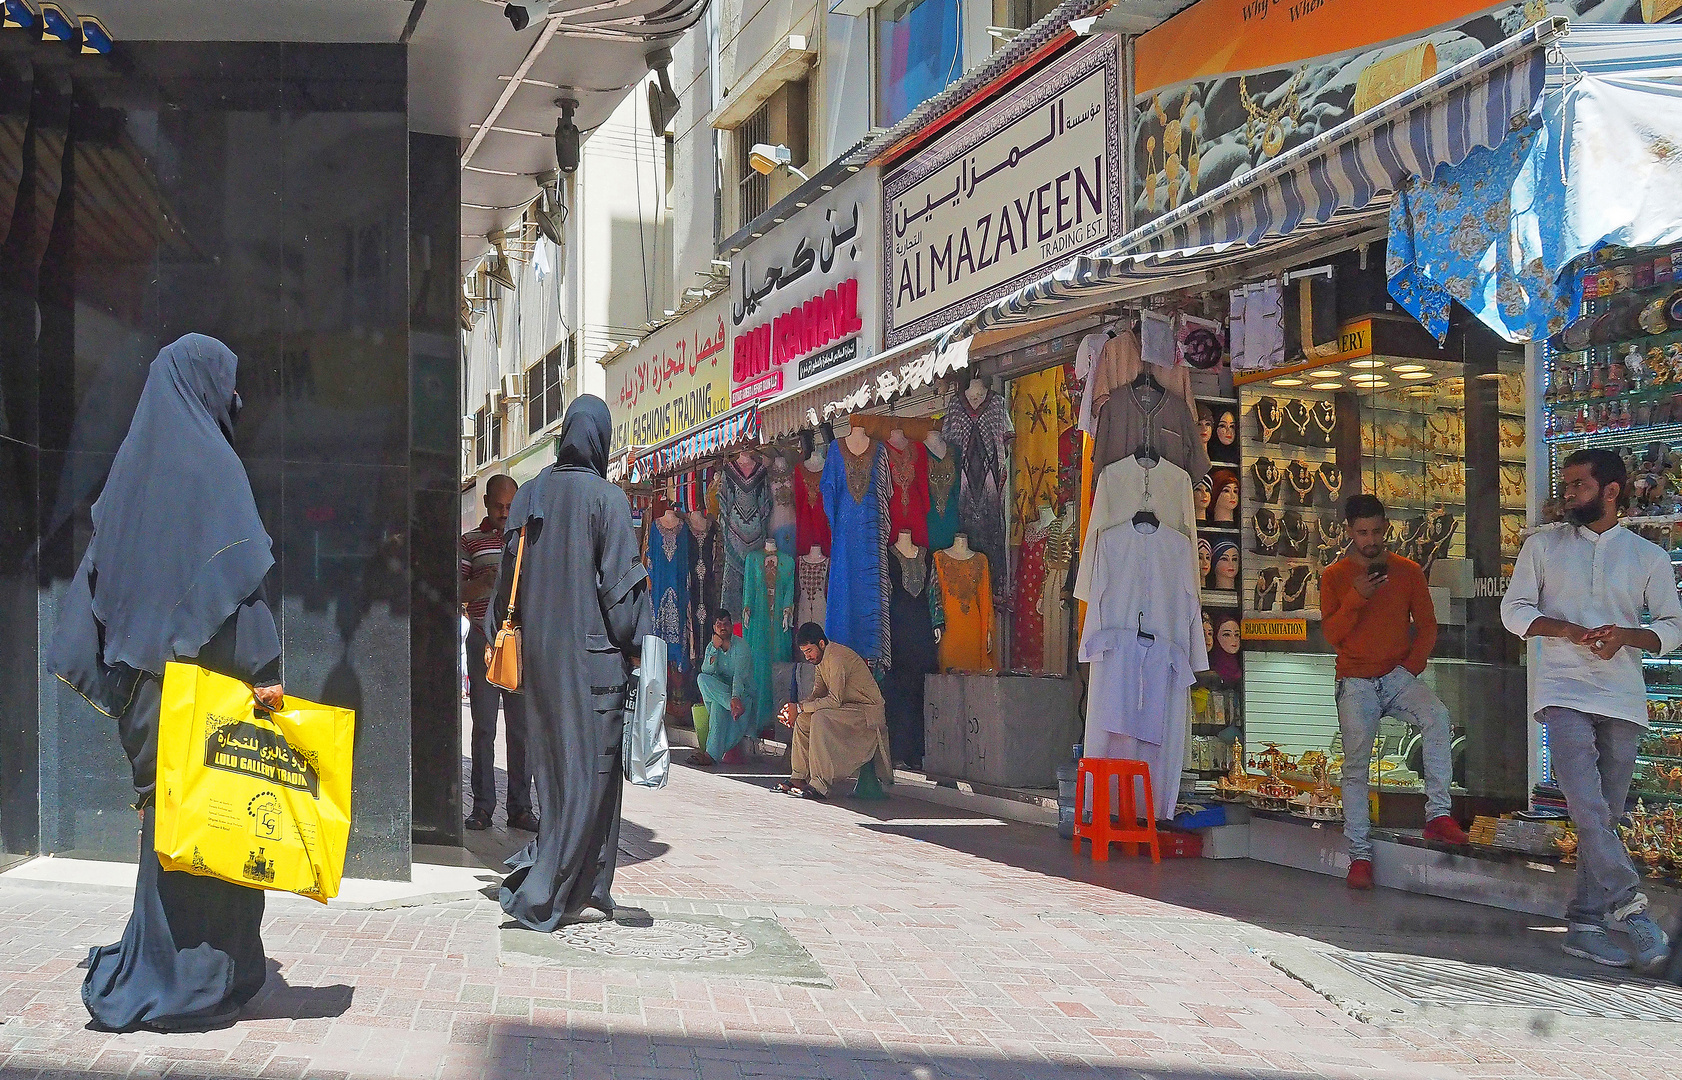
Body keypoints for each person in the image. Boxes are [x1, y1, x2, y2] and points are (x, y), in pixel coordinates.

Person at [49, 335, 281, 1032]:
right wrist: (266, 674)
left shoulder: (129, 472)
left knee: (168, 835)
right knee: (225, 823)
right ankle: (213, 974)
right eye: (228, 386)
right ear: (208, 387)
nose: (234, 401)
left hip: (148, 694)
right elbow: (243, 584)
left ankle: (163, 968)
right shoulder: (215, 467)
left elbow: (99, 581)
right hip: (209, 687)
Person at [1502, 448, 1679, 970]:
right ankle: (1631, 906)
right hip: (1562, 692)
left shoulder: (1647, 557)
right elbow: (1513, 610)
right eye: (1566, 483)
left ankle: (1583, 923)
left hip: (1622, 697)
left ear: (1611, 491)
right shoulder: (1542, 546)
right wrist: (1564, 630)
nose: (1567, 494)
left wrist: (1628, 635)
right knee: (1585, 804)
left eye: (1578, 485)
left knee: (1606, 814)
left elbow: (1673, 625)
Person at [488, 397, 651, 931]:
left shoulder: (528, 496)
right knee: (590, 778)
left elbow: (502, 589)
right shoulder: (606, 501)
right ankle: (544, 893)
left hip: (539, 666)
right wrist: (639, 640)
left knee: (556, 778)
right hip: (592, 668)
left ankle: (590, 885)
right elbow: (621, 602)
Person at [1320, 494, 1467, 892]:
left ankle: (1438, 814)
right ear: (1349, 532)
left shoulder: (1407, 572)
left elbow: (1429, 625)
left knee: (1437, 716)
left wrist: (1411, 667)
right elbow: (1332, 635)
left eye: (1377, 531)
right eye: (1362, 533)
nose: (1370, 540)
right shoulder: (1334, 576)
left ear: (1386, 528)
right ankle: (1360, 857)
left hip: (1397, 675)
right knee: (1356, 766)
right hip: (1355, 679)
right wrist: (1356, 598)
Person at [461, 474, 536, 832]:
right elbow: (454, 588)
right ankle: (482, 806)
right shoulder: (470, 542)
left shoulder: (529, 539)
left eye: (510, 506)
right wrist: (483, 584)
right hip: (482, 643)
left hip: (519, 646)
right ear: (487, 504)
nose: (505, 513)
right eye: (498, 507)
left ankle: (521, 808)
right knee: (484, 729)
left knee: (521, 730)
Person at [774, 624, 893, 800]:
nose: (807, 656)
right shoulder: (820, 661)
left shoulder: (837, 657)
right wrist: (795, 708)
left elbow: (834, 700)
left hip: (866, 712)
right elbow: (817, 694)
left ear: (821, 644)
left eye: (809, 651)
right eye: (804, 653)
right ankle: (798, 778)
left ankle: (819, 785)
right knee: (804, 720)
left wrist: (799, 708)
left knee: (819, 719)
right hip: (846, 710)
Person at [692, 608, 754, 767]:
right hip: (728, 701)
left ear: (732, 626)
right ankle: (729, 704)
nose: (722, 627)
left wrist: (735, 698)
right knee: (701, 678)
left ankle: (710, 756)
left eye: (726, 623)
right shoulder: (712, 646)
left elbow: (739, 677)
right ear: (714, 628)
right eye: (719, 624)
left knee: (718, 707)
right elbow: (706, 672)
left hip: (741, 697)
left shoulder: (741, 647)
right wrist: (714, 648)